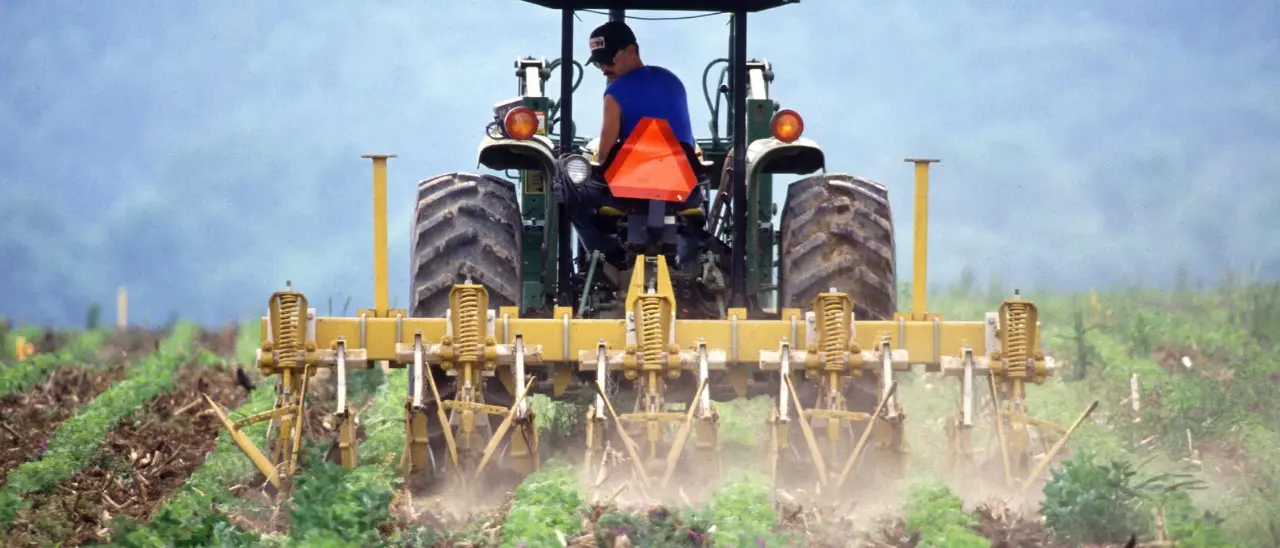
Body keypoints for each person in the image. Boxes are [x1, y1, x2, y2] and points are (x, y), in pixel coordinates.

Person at [586, 20, 695, 160]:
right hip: (685, 176)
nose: (604, 68)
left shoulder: (614, 93)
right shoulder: (673, 81)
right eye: (598, 63)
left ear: (631, 51)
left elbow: (604, 158)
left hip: (637, 179)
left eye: (608, 60)